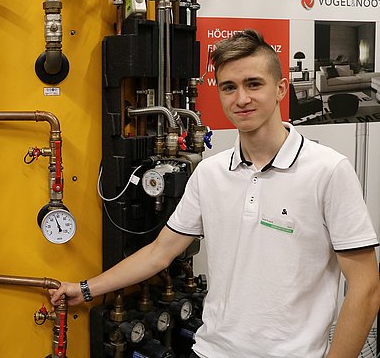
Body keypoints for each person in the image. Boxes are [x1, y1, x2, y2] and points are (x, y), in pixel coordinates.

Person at [51, 30, 380, 358]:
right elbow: (159, 253)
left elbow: (365, 287)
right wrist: (85, 289)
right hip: (210, 351)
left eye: (254, 84)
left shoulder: (328, 171)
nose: (241, 99)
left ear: (280, 88)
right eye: (229, 87)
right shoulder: (210, 174)